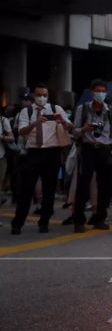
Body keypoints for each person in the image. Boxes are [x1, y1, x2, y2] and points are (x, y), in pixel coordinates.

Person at [11, 84, 72, 234]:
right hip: (33, 153)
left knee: (49, 190)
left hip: (52, 153)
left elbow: (70, 126)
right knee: (26, 189)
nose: (41, 98)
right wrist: (35, 123)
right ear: (34, 95)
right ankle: (18, 223)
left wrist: (62, 122)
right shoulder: (27, 110)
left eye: (44, 95)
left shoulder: (55, 109)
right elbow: (21, 130)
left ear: (48, 96)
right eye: (39, 95)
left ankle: (44, 222)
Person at [72, 79, 112, 232]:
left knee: (104, 186)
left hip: (105, 150)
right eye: (97, 91)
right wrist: (84, 129)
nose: (100, 94)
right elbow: (74, 130)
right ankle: (79, 219)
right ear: (92, 92)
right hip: (88, 148)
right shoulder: (83, 109)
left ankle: (100, 218)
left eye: (103, 91)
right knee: (83, 184)